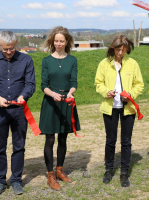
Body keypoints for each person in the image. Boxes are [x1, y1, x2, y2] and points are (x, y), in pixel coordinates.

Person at [95, 35, 144, 187]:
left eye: (123, 50)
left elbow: (139, 85)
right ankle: (108, 170)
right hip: (110, 108)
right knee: (110, 141)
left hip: (127, 108)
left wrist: (131, 95)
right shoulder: (104, 63)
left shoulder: (133, 64)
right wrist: (106, 92)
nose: (120, 53)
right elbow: (98, 84)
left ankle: (124, 172)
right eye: (117, 49)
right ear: (112, 48)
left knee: (126, 142)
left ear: (127, 49)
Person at [39, 26, 80, 190]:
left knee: (63, 139)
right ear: (52, 41)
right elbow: (43, 85)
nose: (58, 43)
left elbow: (74, 83)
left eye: (61, 41)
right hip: (50, 102)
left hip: (66, 102)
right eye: (56, 41)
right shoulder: (46, 60)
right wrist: (52, 94)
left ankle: (60, 171)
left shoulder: (72, 60)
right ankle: (50, 175)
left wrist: (70, 93)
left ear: (67, 41)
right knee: (50, 139)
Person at [0, 31, 35, 195]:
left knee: (19, 147)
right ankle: (1, 180)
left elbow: (30, 83)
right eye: (5, 49)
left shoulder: (26, 60)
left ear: (16, 44)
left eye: (12, 48)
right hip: (0, 111)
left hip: (19, 112)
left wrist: (23, 95)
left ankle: (16, 180)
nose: (8, 51)